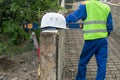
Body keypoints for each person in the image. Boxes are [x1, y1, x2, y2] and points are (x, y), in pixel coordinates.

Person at [66, 0, 113, 80]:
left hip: (91, 40)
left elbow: (74, 17)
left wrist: (63, 21)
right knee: (102, 63)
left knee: (83, 61)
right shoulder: (106, 7)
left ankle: (80, 78)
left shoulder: (85, 5)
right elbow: (110, 25)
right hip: (103, 40)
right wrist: (106, 33)